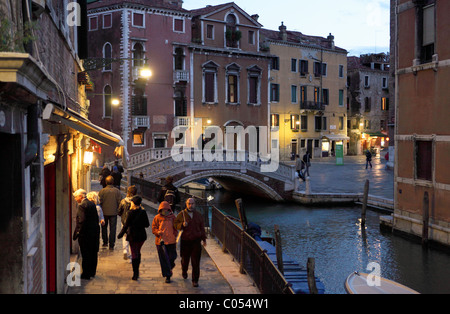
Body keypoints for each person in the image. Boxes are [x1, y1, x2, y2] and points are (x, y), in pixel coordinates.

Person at [174, 198, 207, 287]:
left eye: (192, 203)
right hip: (185, 241)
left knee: (195, 262)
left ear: (195, 204)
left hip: (196, 241)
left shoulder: (199, 215)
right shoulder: (182, 214)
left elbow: (202, 228)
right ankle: (184, 270)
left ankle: (195, 280)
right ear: (186, 204)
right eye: (189, 203)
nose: (190, 205)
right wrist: (182, 225)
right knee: (185, 260)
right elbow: (175, 224)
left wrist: (204, 239)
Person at [117, 196, 150, 280]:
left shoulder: (130, 213)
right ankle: (137, 271)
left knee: (134, 253)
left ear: (133, 203)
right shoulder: (143, 212)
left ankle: (135, 273)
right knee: (137, 252)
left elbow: (126, 225)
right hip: (142, 236)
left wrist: (120, 234)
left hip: (133, 236)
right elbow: (147, 224)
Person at [72, 189, 100, 280]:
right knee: (93, 253)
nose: (75, 199)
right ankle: (92, 272)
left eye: (76, 196)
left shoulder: (82, 206)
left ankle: (86, 273)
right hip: (94, 232)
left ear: (81, 196)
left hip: (86, 234)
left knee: (85, 253)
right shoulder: (92, 204)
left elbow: (81, 220)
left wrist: (77, 232)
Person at [152, 201, 178, 283]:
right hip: (160, 241)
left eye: (166, 210)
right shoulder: (157, 218)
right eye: (163, 210)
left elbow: (175, 228)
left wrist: (174, 235)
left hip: (171, 241)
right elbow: (154, 228)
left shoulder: (173, 217)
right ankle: (168, 275)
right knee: (163, 259)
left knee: (172, 256)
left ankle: (170, 266)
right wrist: (157, 232)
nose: (165, 212)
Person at [98, 175, 122, 250]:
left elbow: (99, 201)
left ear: (106, 182)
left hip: (104, 212)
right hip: (114, 212)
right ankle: (111, 244)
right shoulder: (117, 191)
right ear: (113, 182)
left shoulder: (102, 191)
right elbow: (120, 202)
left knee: (104, 227)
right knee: (113, 228)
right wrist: (119, 210)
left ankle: (105, 242)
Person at [118, 185, 137, 260]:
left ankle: (125, 250)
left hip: (124, 222)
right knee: (133, 237)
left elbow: (119, 212)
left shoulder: (123, 201)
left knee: (125, 236)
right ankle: (132, 253)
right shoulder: (136, 201)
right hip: (134, 222)